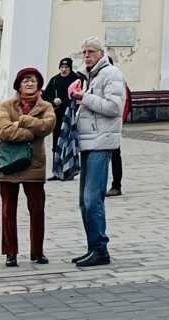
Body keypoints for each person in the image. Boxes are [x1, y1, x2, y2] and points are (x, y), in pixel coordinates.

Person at [70, 36, 126, 267]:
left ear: (101, 53)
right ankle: (93, 246)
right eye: (83, 52)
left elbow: (114, 108)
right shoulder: (90, 75)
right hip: (88, 140)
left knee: (93, 199)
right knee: (84, 200)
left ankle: (101, 249)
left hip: (101, 142)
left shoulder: (111, 74)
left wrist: (85, 97)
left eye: (90, 51)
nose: (86, 56)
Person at [0, 66, 56, 267]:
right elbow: (2, 130)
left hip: (34, 164)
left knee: (37, 209)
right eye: (26, 80)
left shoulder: (46, 106)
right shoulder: (6, 105)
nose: (30, 83)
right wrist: (30, 132)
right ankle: (10, 252)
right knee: (8, 210)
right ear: (18, 85)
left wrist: (23, 121)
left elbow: (48, 126)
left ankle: (37, 251)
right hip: (9, 164)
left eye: (34, 81)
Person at [45, 57, 84, 182]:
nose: (64, 69)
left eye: (66, 67)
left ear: (70, 68)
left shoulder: (76, 79)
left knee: (69, 142)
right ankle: (57, 171)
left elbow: (79, 95)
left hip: (71, 115)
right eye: (62, 67)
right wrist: (53, 101)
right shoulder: (55, 79)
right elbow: (46, 95)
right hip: (57, 115)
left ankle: (70, 171)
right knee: (57, 143)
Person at [108, 81, 130, 197]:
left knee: (115, 155)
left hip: (113, 124)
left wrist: (120, 119)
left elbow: (126, 102)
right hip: (101, 126)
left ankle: (116, 185)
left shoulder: (116, 80)